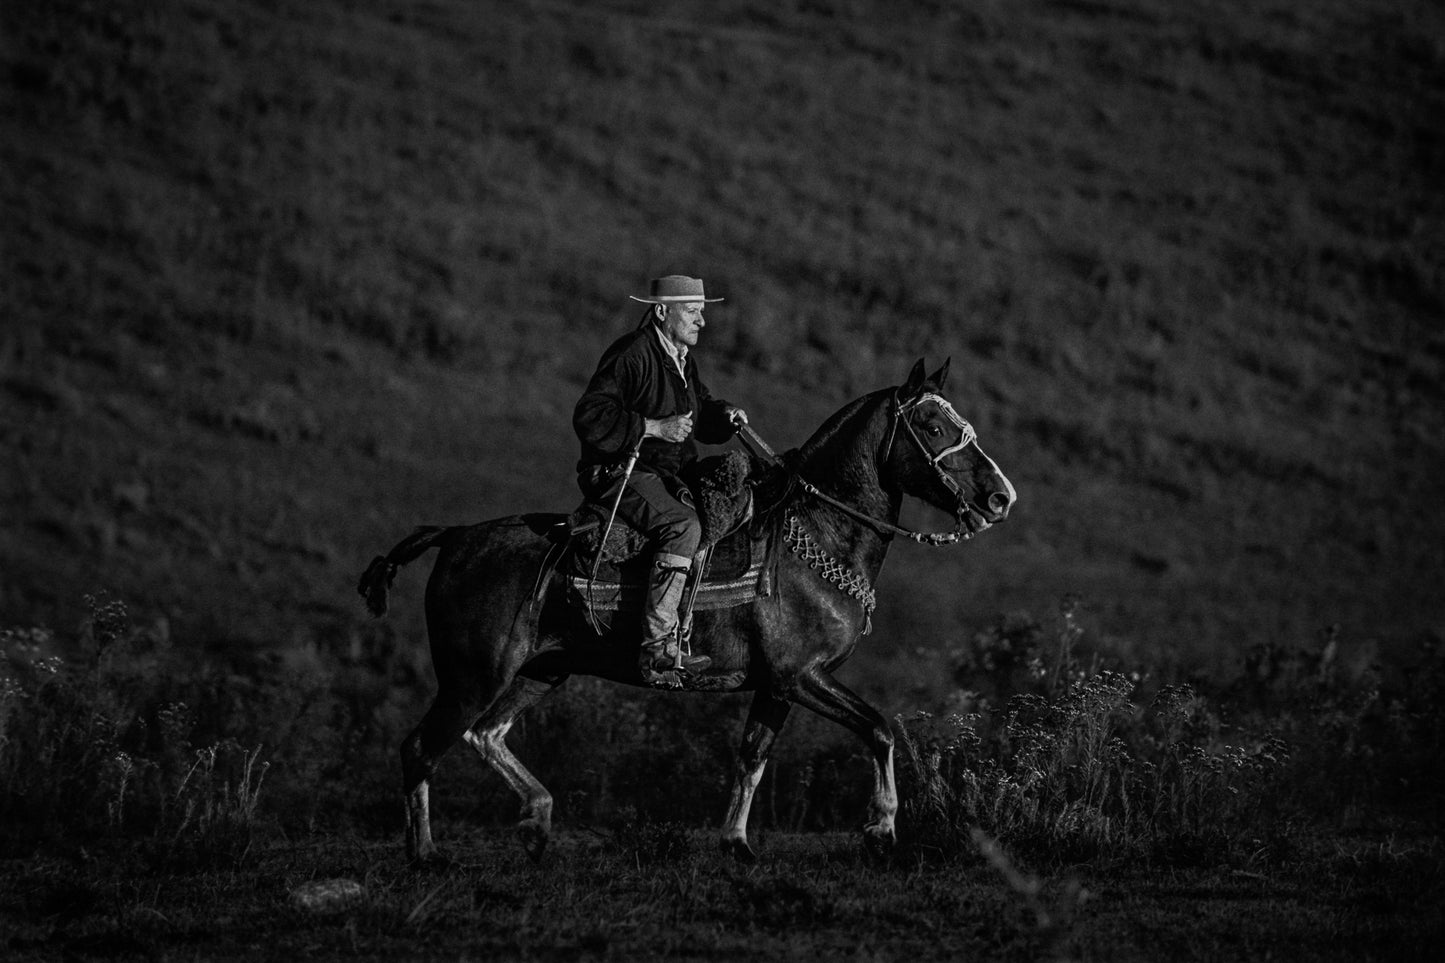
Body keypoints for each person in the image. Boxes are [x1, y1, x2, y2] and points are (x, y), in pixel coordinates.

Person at [573, 275, 749, 686]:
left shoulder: (682, 357)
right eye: (692, 312)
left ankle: (690, 630)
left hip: (665, 474)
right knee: (682, 525)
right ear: (661, 312)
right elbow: (590, 415)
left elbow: (698, 412)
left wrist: (724, 415)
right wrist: (651, 427)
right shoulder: (631, 354)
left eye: (701, 312)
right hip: (621, 472)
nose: (702, 321)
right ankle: (656, 647)